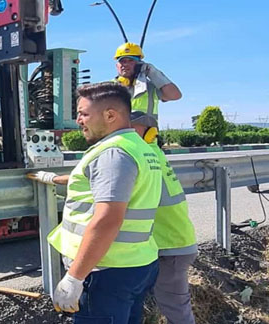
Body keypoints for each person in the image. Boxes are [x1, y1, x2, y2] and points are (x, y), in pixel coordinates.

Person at [31, 82, 162, 324]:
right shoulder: (138, 148)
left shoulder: (113, 153)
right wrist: (53, 178)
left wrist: (74, 277)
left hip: (107, 269)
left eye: (83, 113)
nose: (78, 120)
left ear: (110, 115)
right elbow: (104, 183)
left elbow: (107, 219)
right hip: (136, 263)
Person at [130, 111, 197, 324]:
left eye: (132, 129)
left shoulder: (142, 154)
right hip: (172, 243)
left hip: (171, 246)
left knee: (177, 311)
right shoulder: (153, 152)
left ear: (149, 132)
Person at [113, 42, 181, 124]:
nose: (125, 64)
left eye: (130, 60)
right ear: (117, 66)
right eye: (122, 61)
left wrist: (153, 73)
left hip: (147, 136)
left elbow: (175, 95)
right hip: (119, 136)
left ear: (140, 64)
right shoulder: (109, 87)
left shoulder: (150, 87)